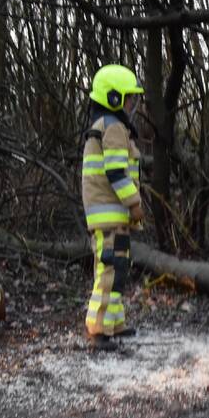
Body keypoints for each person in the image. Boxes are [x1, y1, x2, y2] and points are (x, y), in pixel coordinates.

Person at [80, 64, 145, 350]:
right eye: (128, 98)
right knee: (109, 271)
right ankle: (98, 330)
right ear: (114, 98)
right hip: (110, 214)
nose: (131, 104)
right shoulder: (114, 128)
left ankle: (113, 324)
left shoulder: (106, 126)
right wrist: (135, 204)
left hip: (108, 215)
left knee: (117, 270)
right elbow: (117, 172)